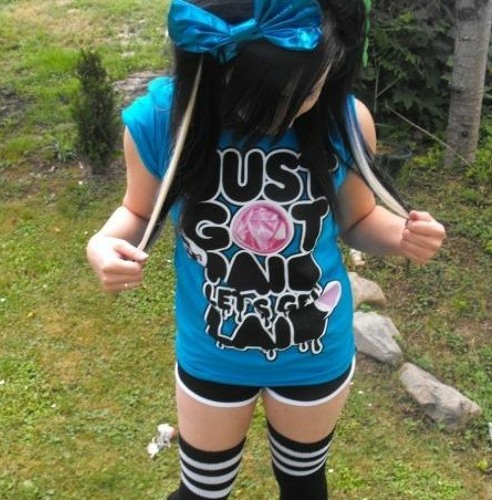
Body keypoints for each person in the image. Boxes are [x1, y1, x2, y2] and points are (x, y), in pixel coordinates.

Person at [86, 0, 446, 498]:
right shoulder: (161, 120)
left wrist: (400, 236)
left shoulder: (344, 118)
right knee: (202, 490)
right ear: (216, 67)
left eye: (313, 87)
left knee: (303, 483)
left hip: (313, 349)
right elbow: (139, 210)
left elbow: (358, 219)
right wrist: (104, 242)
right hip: (213, 349)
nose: (294, 110)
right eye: (275, 97)